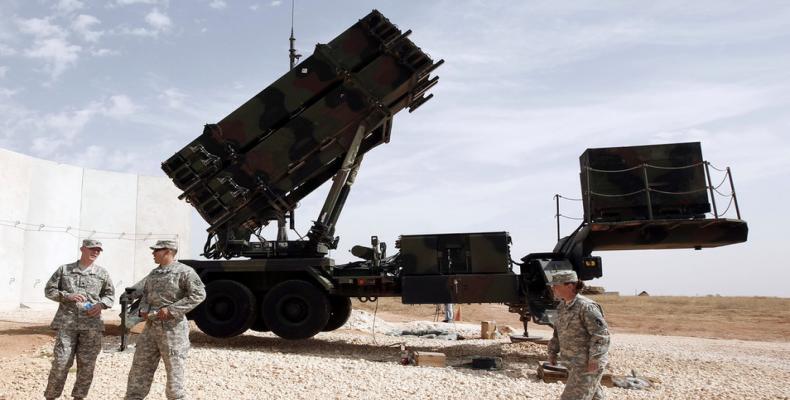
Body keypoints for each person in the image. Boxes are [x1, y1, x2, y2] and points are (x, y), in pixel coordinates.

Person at [124, 239, 206, 400]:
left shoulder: (185, 272)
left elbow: (199, 294)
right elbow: (143, 292)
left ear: (168, 252)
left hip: (173, 330)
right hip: (150, 328)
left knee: (174, 370)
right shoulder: (155, 273)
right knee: (140, 366)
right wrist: (136, 304)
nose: (153, 253)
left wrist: (171, 310)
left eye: (156, 250)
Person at [44, 239, 115, 400]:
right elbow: (49, 290)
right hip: (67, 324)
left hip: (91, 326)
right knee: (61, 362)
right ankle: (51, 396)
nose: (95, 252)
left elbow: (110, 295)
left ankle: (79, 397)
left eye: (98, 250)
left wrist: (101, 305)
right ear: (82, 249)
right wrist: (67, 296)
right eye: (92, 249)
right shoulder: (65, 270)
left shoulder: (102, 273)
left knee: (87, 365)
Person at [546, 270, 610, 400]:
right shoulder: (562, 307)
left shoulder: (586, 307)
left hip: (586, 364)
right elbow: (557, 332)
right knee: (594, 396)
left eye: (556, 285)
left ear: (570, 286)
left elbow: (601, 335)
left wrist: (595, 359)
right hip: (573, 363)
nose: (553, 288)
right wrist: (552, 352)